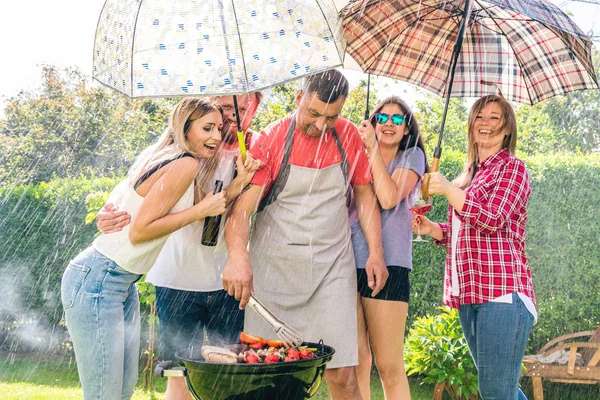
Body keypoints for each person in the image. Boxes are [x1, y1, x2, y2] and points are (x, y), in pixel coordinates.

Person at [222, 69, 387, 400]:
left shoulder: (347, 135)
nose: (321, 125)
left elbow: (366, 196)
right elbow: (241, 211)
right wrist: (238, 256)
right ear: (299, 98)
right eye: (313, 113)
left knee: (342, 375)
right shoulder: (271, 140)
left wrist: (376, 252)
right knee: (269, 373)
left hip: (331, 267)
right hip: (275, 270)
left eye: (332, 116)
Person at [96, 93, 262, 400]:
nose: (232, 118)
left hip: (225, 281)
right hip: (175, 277)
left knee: (226, 374)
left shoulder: (254, 152)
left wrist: (242, 179)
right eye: (226, 109)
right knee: (178, 373)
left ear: (254, 110)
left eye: (241, 110)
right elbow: (129, 190)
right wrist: (106, 212)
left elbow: (227, 206)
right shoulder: (176, 153)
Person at [61, 97, 229, 400]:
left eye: (219, 127)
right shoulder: (184, 163)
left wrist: (238, 182)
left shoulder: (163, 155)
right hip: (100, 279)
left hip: (119, 283)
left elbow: (128, 203)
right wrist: (202, 210)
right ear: (185, 127)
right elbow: (140, 232)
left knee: (120, 392)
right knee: (105, 395)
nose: (217, 136)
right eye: (207, 128)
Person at [412, 94, 537, 400]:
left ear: (507, 129)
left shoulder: (513, 169)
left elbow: (493, 219)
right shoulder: (469, 174)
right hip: (471, 295)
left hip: (503, 295)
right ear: (470, 125)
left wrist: (450, 189)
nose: (485, 123)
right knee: (500, 389)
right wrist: (433, 230)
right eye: (479, 116)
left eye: (495, 118)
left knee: (495, 390)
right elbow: (466, 233)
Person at [352, 96, 428, 400]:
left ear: (407, 129)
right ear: (371, 122)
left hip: (391, 263)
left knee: (387, 364)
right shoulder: (355, 154)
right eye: (382, 118)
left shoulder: (411, 157)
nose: (388, 124)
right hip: (347, 261)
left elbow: (387, 197)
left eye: (398, 120)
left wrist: (372, 149)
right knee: (356, 360)